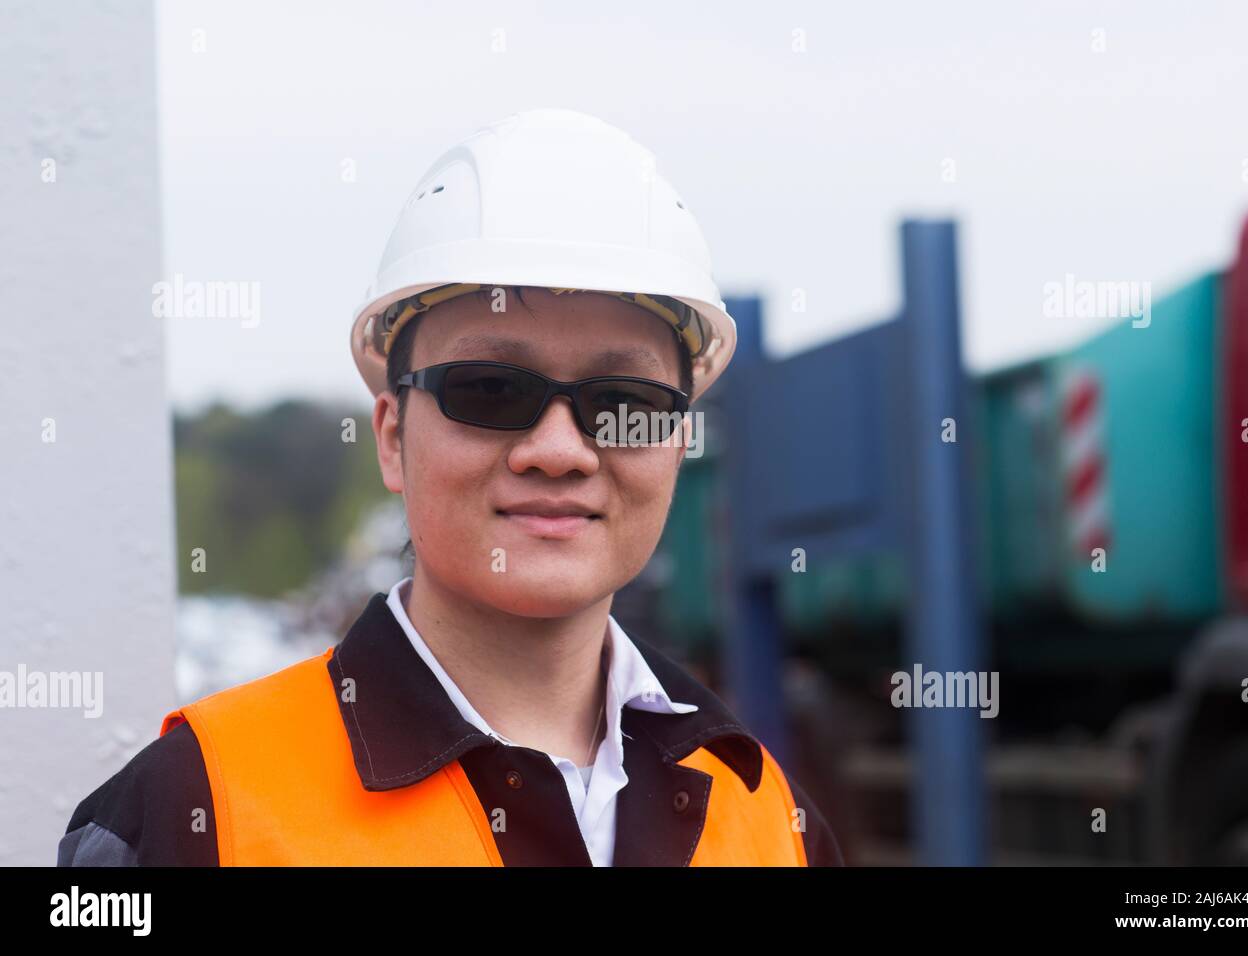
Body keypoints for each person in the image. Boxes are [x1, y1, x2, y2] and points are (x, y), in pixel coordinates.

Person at [58, 108, 844, 866]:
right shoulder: (192, 811)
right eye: (490, 391)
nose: (560, 450)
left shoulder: (770, 817)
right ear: (393, 438)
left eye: (623, 403)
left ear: (675, 444)